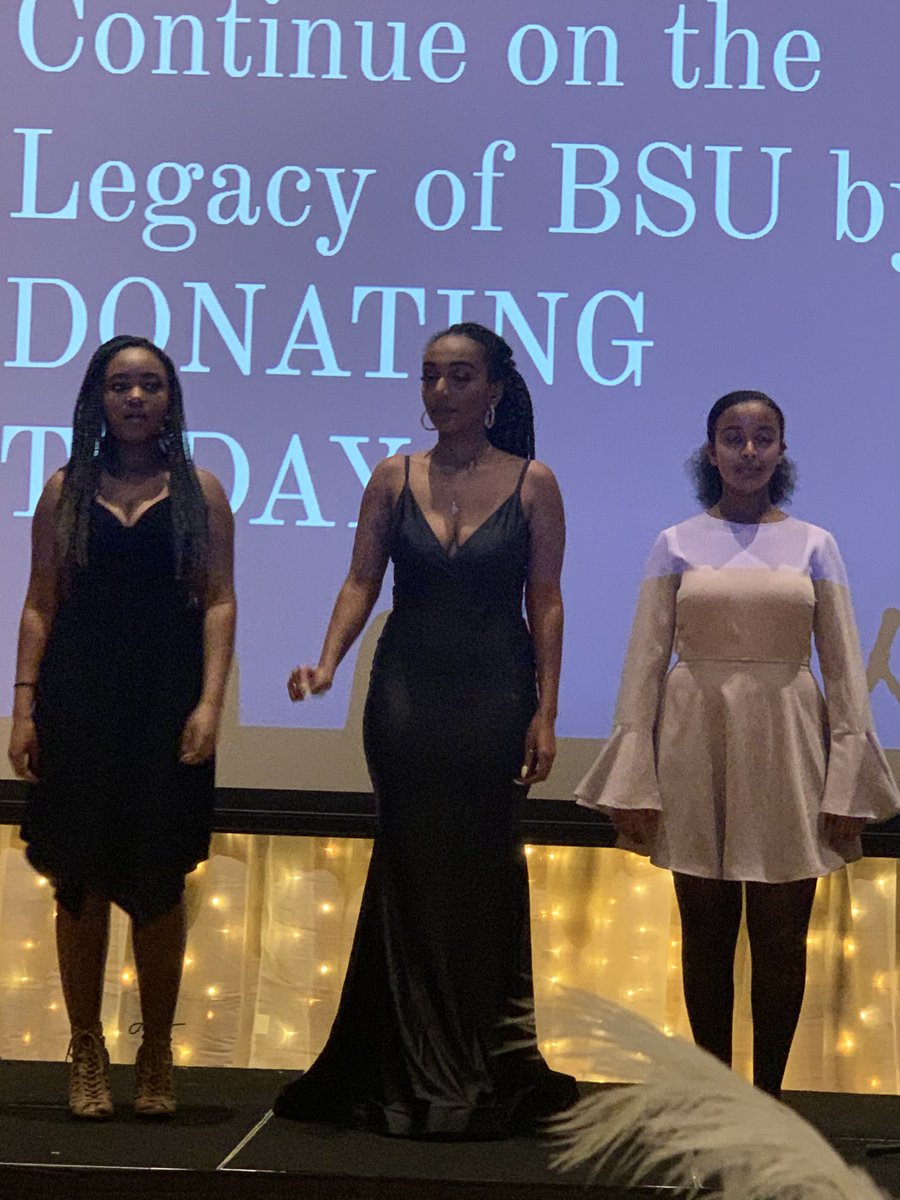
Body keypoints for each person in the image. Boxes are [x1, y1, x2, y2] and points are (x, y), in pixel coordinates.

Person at [274, 322, 576, 1137]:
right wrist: (327, 662)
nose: (441, 391)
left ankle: (480, 1062)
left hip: (495, 694)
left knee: (481, 871)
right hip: (406, 694)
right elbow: (360, 580)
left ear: (495, 390)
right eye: (430, 376)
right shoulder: (392, 476)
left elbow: (545, 600)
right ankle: (402, 1064)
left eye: (460, 376)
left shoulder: (534, 483)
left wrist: (547, 710)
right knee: (408, 867)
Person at [575, 390, 900, 1098]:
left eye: (762, 437)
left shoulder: (816, 544)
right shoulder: (675, 542)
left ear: (782, 450)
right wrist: (633, 775)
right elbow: (643, 663)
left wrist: (849, 779)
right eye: (733, 437)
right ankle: (717, 1101)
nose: (748, 450)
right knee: (705, 935)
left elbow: (845, 668)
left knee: (782, 938)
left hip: (789, 743)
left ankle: (768, 1101)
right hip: (695, 741)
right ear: (711, 451)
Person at [7, 335, 236, 1119]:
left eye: (150, 385)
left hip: (166, 703)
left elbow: (218, 601)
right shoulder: (65, 490)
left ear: (170, 400)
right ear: (97, 400)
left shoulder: (201, 491)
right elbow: (40, 603)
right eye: (120, 386)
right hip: (79, 702)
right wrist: (24, 704)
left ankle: (156, 1051)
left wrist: (210, 703)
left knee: (160, 879)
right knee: (82, 879)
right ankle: (85, 1048)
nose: (135, 398)